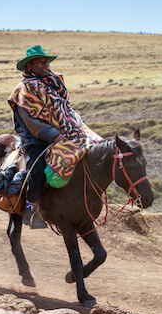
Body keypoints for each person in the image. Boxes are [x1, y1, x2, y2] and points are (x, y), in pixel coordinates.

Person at [8, 45, 100, 229]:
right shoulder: (23, 90)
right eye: (40, 61)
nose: (45, 64)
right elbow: (31, 123)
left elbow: (66, 111)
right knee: (38, 165)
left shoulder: (55, 85)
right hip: (36, 138)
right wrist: (54, 135)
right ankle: (31, 210)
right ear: (30, 66)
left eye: (46, 61)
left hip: (63, 134)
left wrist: (76, 128)